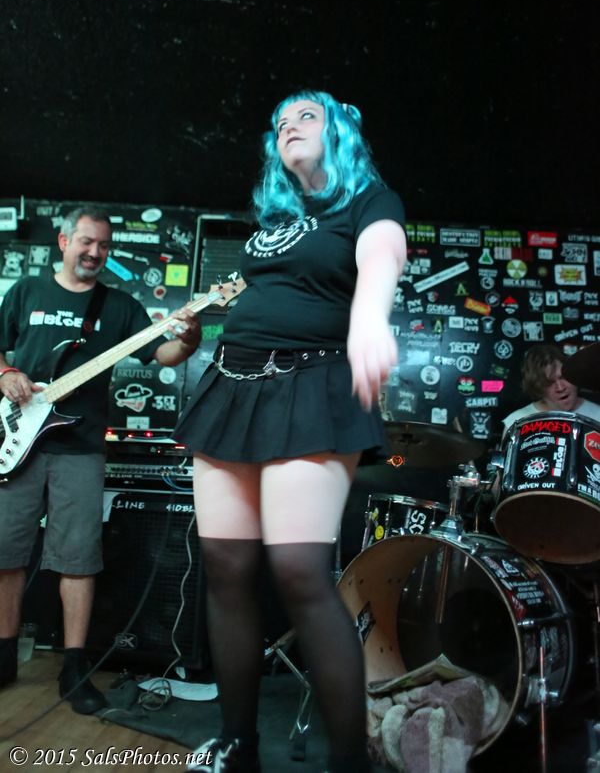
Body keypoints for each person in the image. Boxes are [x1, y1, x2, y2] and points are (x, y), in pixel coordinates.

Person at [174, 90, 407, 773]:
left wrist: (371, 318)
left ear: (341, 132)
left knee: (300, 570)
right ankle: (238, 743)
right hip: (232, 383)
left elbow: (382, 256)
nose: (289, 128)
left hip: (313, 385)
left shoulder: (370, 200)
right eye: (280, 123)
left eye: (306, 116)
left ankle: (348, 762)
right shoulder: (277, 218)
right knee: (225, 567)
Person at [0, 206, 200, 713]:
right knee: (5, 554)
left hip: (81, 447)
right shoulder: (25, 292)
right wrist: (5, 374)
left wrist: (190, 336)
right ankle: (3, 656)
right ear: (63, 241)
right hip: (16, 444)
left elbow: (164, 355)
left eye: (104, 246)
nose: (95, 252)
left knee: (79, 559)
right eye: (87, 242)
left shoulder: (120, 307)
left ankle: (74, 668)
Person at [502, 343, 600, 437]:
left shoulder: (598, 414)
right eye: (549, 383)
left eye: (563, 377)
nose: (560, 388)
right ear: (537, 387)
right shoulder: (517, 422)